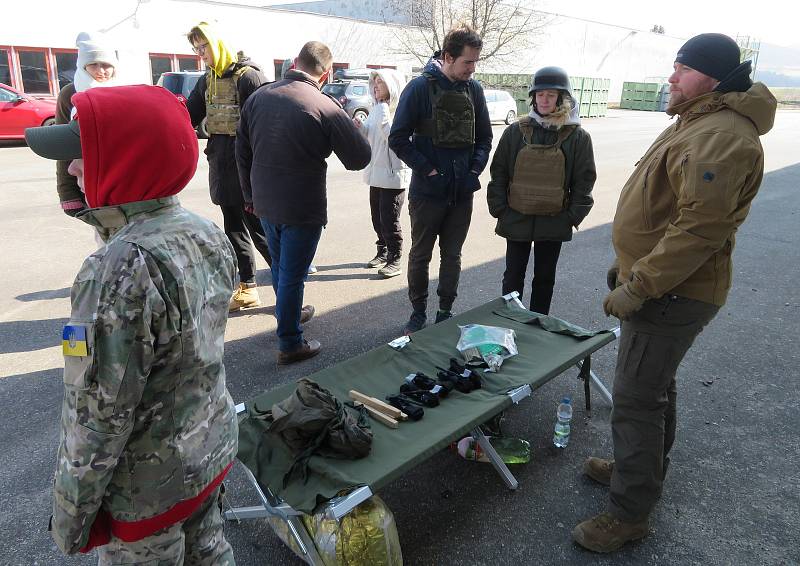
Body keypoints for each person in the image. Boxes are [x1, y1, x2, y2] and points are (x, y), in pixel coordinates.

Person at [572, 33, 776, 553]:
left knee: (638, 399)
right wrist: (627, 264)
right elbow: (663, 209)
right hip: (662, 285)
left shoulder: (721, 135)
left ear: (711, 79)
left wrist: (639, 284)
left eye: (682, 68)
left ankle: (628, 514)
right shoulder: (699, 121)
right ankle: (640, 471)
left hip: (672, 293)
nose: (671, 77)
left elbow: (698, 230)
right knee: (653, 386)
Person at [25, 85, 238, 564]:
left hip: (147, 493)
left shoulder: (118, 268)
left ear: (127, 161)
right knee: (210, 552)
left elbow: (97, 415)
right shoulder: (203, 232)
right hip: (208, 454)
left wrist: (70, 517)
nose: (72, 169)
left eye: (81, 155)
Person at [237, 41, 371, 365]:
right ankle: (290, 343)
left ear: (295, 61)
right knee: (292, 276)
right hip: (302, 208)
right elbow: (359, 158)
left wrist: (249, 197)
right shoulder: (324, 105)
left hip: (265, 204)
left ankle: (290, 316)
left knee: (284, 270)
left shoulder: (259, 97)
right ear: (325, 74)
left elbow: (240, 152)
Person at [388, 24, 492, 334]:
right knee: (420, 254)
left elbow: (484, 138)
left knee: (453, 255)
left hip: (461, 192)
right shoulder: (420, 88)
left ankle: (445, 311)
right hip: (428, 192)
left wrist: (473, 171)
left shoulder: (474, 91)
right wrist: (429, 170)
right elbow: (398, 138)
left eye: (475, 63)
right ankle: (418, 312)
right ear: (448, 56)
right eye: (467, 63)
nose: (472, 69)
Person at [487, 66, 596, 315]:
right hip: (516, 216)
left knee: (545, 279)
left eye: (550, 95)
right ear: (533, 97)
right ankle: (509, 322)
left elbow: (584, 181)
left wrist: (571, 217)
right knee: (512, 278)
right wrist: (500, 210)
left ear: (562, 98)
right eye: (540, 95)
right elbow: (499, 172)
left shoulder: (578, 137)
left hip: (555, 220)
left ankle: (538, 327)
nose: (544, 100)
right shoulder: (515, 131)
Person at [186, 21, 272, 312]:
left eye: (204, 46)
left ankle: (289, 289)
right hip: (221, 163)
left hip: (247, 166)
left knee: (261, 230)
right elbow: (188, 115)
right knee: (233, 228)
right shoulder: (206, 80)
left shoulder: (249, 77)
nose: (201, 53)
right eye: (197, 48)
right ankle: (248, 288)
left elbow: (264, 126)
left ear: (218, 43)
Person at [55, 31, 119, 217]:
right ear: (83, 66)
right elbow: (63, 146)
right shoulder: (70, 94)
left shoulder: (124, 90)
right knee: (104, 235)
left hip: (121, 177)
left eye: (106, 65)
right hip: (87, 178)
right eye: (93, 64)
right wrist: (67, 193)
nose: (101, 71)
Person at [356, 68, 411, 278]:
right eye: (375, 82)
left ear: (392, 86)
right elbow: (370, 135)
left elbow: (394, 139)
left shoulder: (401, 111)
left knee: (390, 219)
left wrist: (383, 115)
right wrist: (360, 126)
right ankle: (383, 250)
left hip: (394, 175)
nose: (376, 86)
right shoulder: (377, 108)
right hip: (376, 173)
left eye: (381, 82)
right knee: (377, 218)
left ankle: (395, 258)